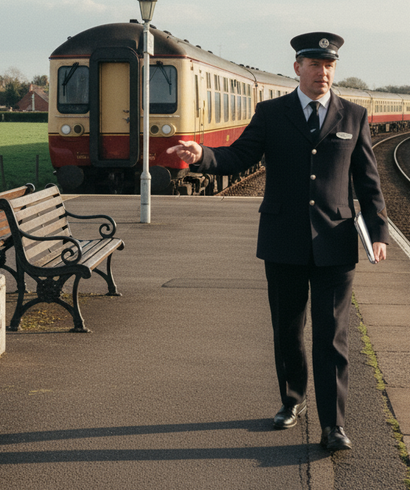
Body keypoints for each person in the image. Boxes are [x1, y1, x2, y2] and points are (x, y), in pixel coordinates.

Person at [166, 32, 388, 452]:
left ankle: (334, 425)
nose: (323, 72)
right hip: (283, 240)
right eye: (315, 65)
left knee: (332, 336)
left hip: (335, 243)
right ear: (297, 68)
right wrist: (202, 154)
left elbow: (369, 182)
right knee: (288, 330)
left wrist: (378, 233)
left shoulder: (353, 116)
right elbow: (239, 156)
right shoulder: (271, 113)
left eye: (329, 66)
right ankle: (292, 401)